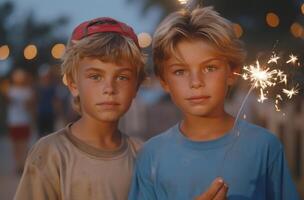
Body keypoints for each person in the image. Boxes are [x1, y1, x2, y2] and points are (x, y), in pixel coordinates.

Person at [129, 7, 300, 200]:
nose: (196, 82)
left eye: (210, 68)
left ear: (232, 72)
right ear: (164, 81)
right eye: (180, 71)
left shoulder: (265, 147)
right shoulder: (151, 156)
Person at [14, 17, 145, 200]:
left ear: (136, 86)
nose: (109, 89)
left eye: (122, 77)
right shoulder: (50, 153)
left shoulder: (143, 155)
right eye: (95, 76)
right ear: (73, 83)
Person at [6, 68, 34, 175]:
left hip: (24, 121)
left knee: (24, 144)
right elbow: (8, 101)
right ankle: (18, 165)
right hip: (13, 121)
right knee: (15, 144)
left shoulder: (28, 90)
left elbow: (31, 105)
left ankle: (23, 164)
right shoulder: (11, 90)